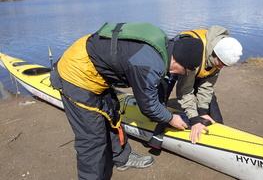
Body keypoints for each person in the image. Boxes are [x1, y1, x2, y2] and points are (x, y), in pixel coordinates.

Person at [50, 22, 203, 180]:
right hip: (77, 74)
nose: (182, 75)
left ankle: (122, 158)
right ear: (178, 62)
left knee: (112, 114)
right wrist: (170, 118)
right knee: (92, 139)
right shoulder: (150, 65)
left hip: (94, 64)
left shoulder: (163, 41)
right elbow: (148, 105)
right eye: (185, 72)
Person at [166, 26, 243, 144]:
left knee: (210, 97)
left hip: (201, 65)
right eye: (221, 63)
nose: (221, 67)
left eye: (224, 65)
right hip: (177, 62)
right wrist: (194, 119)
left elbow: (207, 86)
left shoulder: (221, 54)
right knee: (163, 92)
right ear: (214, 54)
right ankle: (158, 127)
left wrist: (202, 112)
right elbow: (185, 91)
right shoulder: (195, 54)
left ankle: (217, 129)